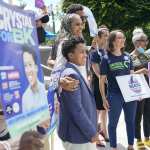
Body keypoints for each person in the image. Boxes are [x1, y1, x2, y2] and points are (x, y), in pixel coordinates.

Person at [99, 30, 148, 150]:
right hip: (114, 95)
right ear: (113, 41)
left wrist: (139, 92)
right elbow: (101, 80)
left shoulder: (127, 56)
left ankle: (131, 145)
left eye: (123, 38)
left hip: (130, 94)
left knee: (130, 121)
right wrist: (103, 98)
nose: (123, 40)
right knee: (113, 123)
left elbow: (132, 76)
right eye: (119, 38)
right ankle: (114, 147)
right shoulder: (106, 58)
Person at [58, 37, 98, 150]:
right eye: (81, 52)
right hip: (78, 136)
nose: (85, 55)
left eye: (85, 51)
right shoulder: (71, 74)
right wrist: (91, 132)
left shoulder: (75, 69)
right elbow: (76, 110)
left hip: (80, 134)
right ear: (70, 55)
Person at [130, 28, 150, 149]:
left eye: (146, 41)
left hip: (148, 87)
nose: (146, 43)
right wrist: (141, 72)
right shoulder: (130, 57)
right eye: (144, 41)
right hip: (137, 89)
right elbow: (127, 75)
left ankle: (147, 137)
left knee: (148, 113)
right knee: (138, 115)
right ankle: (138, 139)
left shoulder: (146, 56)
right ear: (136, 43)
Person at [90, 26, 109, 145]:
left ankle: (104, 131)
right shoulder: (94, 52)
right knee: (97, 110)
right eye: (106, 36)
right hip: (98, 84)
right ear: (99, 38)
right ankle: (95, 135)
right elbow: (96, 70)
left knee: (105, 109)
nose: (108, 38)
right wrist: (105, 80)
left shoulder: (106, 51)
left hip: (106, 83)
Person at [22, 45, 48, 113]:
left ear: (36, 67)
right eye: (25, 66)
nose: (28, 70)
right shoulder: (25, 97)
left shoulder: (46, 89)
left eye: (30, 65)